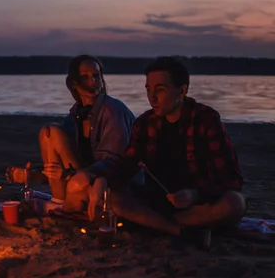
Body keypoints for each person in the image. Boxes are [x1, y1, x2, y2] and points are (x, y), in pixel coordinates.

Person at [70, 56, 245, 249]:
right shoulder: (146, 123)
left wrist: (195, 194)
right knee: (112, 196)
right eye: (148, 90)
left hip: (198, 204)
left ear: (182, 90)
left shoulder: (205, 119)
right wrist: (103, 180)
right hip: (158, 203)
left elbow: (231, 179)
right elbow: (126, 166)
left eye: (160, 90)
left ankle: (163, 224)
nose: (152, 97)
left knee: (235, 202)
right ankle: (180, 230)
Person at [6, 55, 136, 219]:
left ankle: (57, 207)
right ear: (74, 83)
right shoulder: (76, 114)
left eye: (96, 76)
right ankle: (59, 202)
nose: (93, 81)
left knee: (53, 132)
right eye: (85, 77)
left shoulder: (113, 110)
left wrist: (70, 175)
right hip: (80, 181)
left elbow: (114, 162)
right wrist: (31, 175)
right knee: (49, 132)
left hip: (110, 185)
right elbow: (62, 165)